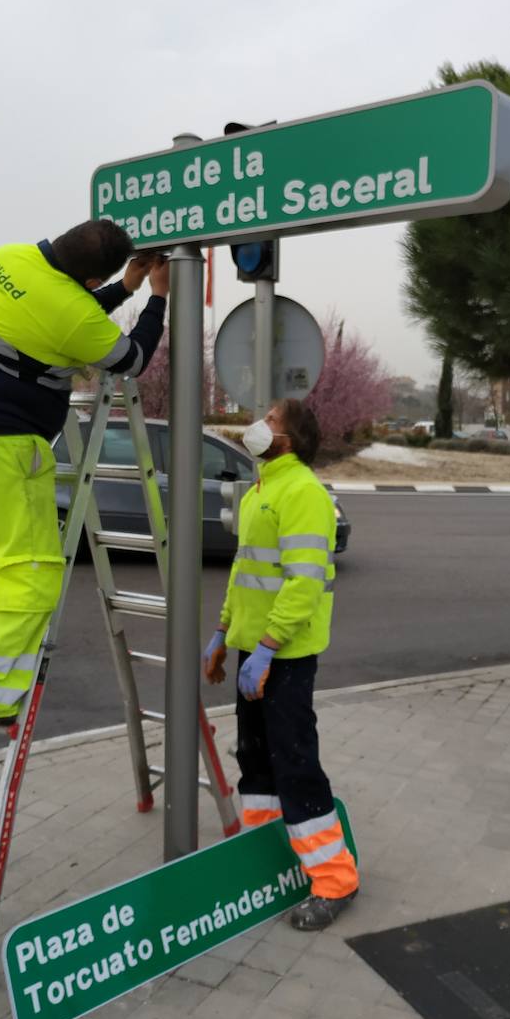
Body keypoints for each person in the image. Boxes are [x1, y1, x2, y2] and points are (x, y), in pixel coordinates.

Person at [0, 219, 169, 728]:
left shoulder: (6, 257)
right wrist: (156, 296)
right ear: (90, 282)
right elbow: (129, 358)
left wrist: (126, 286)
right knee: (30, 569)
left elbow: (58, 314)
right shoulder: (73, 311)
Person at [203, 398, 359, 930]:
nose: (258, 425)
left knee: (295, 764)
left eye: (269, 420)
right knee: (256, 759)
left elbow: (304, 580)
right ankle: (266, 858)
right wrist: (223, 634)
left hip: (286, 654)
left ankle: (335, 880)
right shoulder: (260, 491)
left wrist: (268, 647)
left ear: (287, 441)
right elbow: (245, 571)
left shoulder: (304, 493)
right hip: (255, 650)